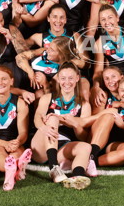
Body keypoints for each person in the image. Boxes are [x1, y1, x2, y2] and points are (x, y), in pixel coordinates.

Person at [30, 62, 94, 190]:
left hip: (62, 147)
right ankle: (53, 168)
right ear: (58, 79)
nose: (67, 82)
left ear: (77, 78)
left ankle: (77, 177)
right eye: (63, 78)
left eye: (71, 78)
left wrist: (75, 124)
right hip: (41, 146)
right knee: (52, 118)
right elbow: (37, 118)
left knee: (86, 147)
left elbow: (83, 137)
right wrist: (44, 128)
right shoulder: (48, 98)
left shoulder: (84, 104)